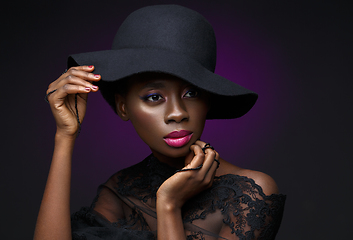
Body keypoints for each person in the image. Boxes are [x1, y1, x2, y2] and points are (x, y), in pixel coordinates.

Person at [34, 4, 285, 240]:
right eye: (154, 97)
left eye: (191, 93)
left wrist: (168, 205)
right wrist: (65, 136)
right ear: (124, 107)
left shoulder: (251, 194)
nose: (177, 113)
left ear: (208, 101)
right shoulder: (121, 190)